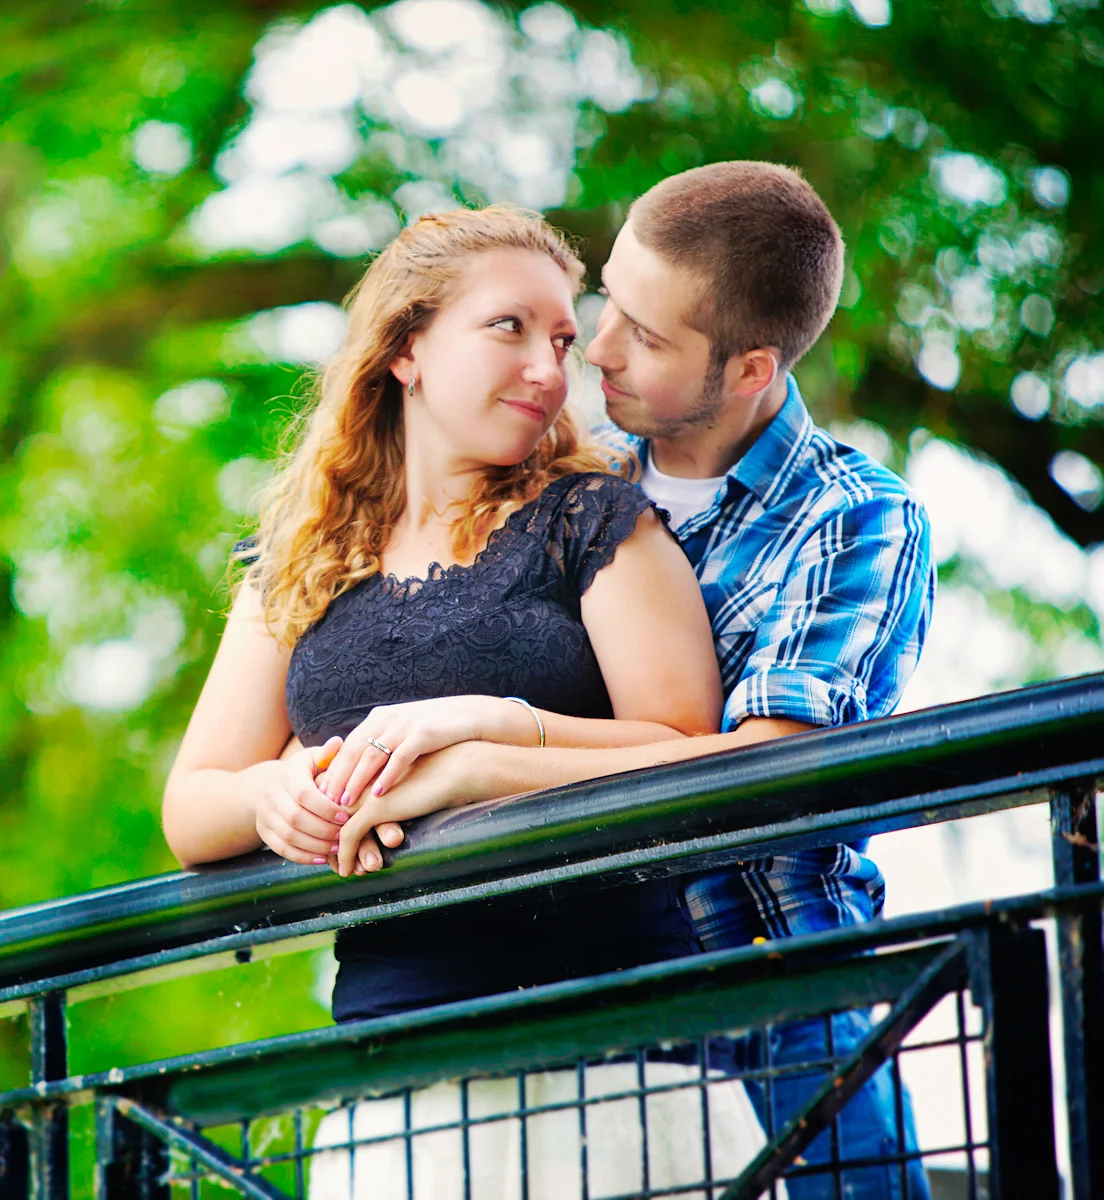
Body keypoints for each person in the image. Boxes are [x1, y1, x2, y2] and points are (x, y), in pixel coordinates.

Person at [324, 162, 936, 1200]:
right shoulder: (560, 469)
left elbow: (765, 776)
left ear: (748, 370)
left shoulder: (853, 521)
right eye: (609, 304)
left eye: (646, 339)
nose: (593, 351)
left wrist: (490, 748)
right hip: (584, 994)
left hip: (777, 984)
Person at [162, 203, 771, 1195]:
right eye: (509, 328)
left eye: (564, 339)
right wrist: (273, 794)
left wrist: (492, 748)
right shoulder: (298, 557)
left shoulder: (595, 518)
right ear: (406, 348)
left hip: (622, 1062)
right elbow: (193, 807)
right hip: (399, 1083)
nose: (548, 367)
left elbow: (695, 756)